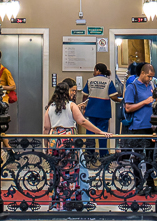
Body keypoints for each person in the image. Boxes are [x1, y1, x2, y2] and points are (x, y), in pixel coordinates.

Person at [43, 78, 108, 212]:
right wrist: (100, 132)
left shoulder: (50, 107)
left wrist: (46, 145)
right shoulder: (71, 105)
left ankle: (56, 204)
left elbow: (46, 128)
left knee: (56, 172)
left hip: (54, 140)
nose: (73, 93)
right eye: (71, 91)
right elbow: (82, 121)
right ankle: (70, 203)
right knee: (70, 172)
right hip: (68, 140)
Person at [124, 62, 157, 194]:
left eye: (152, 76)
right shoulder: (132, 87)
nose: (150, 79)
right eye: (149, 76)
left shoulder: (151, 86)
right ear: (142, 73)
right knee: (137, 156)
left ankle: (150, 183)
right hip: (138, 126)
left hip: (150, 126)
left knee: (150, 157)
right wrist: (144, 102)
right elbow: (128, 107)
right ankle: (138, 185)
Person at [82, 63, 119, 154]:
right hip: (103, 112)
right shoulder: (108, 82)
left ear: (98, 70)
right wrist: (120, 100)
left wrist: (84, 108)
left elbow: (85, 96)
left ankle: (90, 156)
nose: (94, 72)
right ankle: (103, 156)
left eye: (95, 70)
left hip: (91, 111)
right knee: (103, 135)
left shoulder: (90, 81)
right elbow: (113, 97)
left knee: (90, 135)